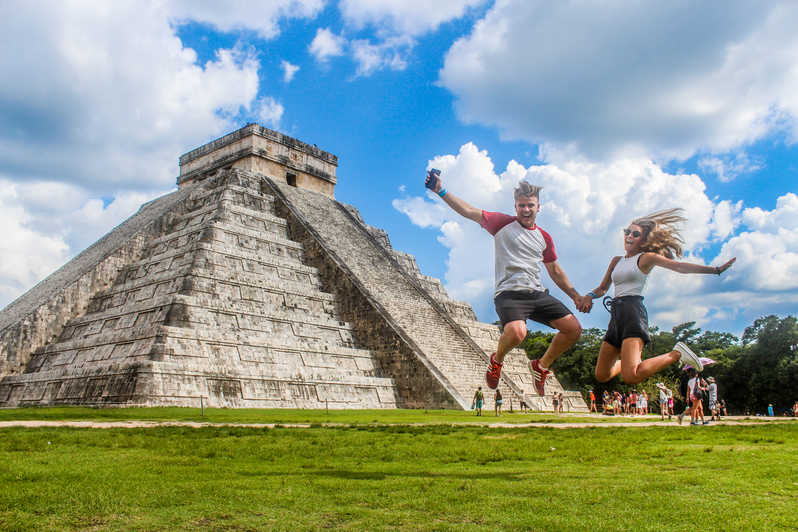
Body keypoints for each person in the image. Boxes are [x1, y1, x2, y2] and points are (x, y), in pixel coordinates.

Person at [425, 172, 590, 395]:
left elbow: (555, 271)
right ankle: (497, 361)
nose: (526, 210)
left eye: (530, 205)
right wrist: (440, 191)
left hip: (536, 293)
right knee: (517, 333)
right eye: (521, 205)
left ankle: (540, 366)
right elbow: (469, 211)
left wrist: (575, 296)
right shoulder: (502, 223)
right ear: (515, 206)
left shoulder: (544, 237)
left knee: (573, 329)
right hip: (509, 294)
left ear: (538, 207)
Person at [584, 209, 735, 386]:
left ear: (644, 240)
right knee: (602, 374)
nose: (629, 236)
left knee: (631, 376)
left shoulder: (646, 258)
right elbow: (603, 288)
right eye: (627, 232)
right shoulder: (616, 261)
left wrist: (715, 270)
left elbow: (679, 267)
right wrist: (589, 296)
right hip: (616, 315)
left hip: (632, 313)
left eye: (635, 234)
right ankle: (628, 364)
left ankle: (676, 354)